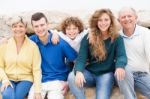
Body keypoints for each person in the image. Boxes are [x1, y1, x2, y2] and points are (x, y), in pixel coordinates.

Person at [68, 9, 127, 99]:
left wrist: (120, 66)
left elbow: (121, 55)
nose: (103, 23)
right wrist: (79, 71)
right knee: (72, 77)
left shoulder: (117, 37)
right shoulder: (89, 36)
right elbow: (81, 57)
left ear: (111, 21)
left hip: (106, 75)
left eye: (106, 20)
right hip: (90, 73)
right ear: (96, 22)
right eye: (100, 20)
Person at [28, 12, 77, 99]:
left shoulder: (60, 42)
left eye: (42, 25)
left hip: (58, 81)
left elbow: (77, 61)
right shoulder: (31, 41)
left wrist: (69, 82)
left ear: (47, 24)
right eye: (36, 26)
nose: (40, 28)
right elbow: (16, 42)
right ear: (33, 28)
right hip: (39, 82)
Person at [0, 16, 42, 99]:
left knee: (16, 97)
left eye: (21, 26)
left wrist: (37, 91)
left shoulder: (33, 47)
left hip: (26, 79)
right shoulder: (5, 44)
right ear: (11, 28)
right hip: (8, 78)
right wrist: (4, 79)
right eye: (15, 26)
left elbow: (36, 70)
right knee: (7, 95)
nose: (18, 29)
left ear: (25, 28)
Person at [117, 7, 150, 99]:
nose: (127, 19)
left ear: (136, 18)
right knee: (124, 69)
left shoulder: (146, 33)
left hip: (142, 75)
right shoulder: (117, 36)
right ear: (119, 21)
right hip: (123, 75)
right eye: (123, 17)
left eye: (129, 16)